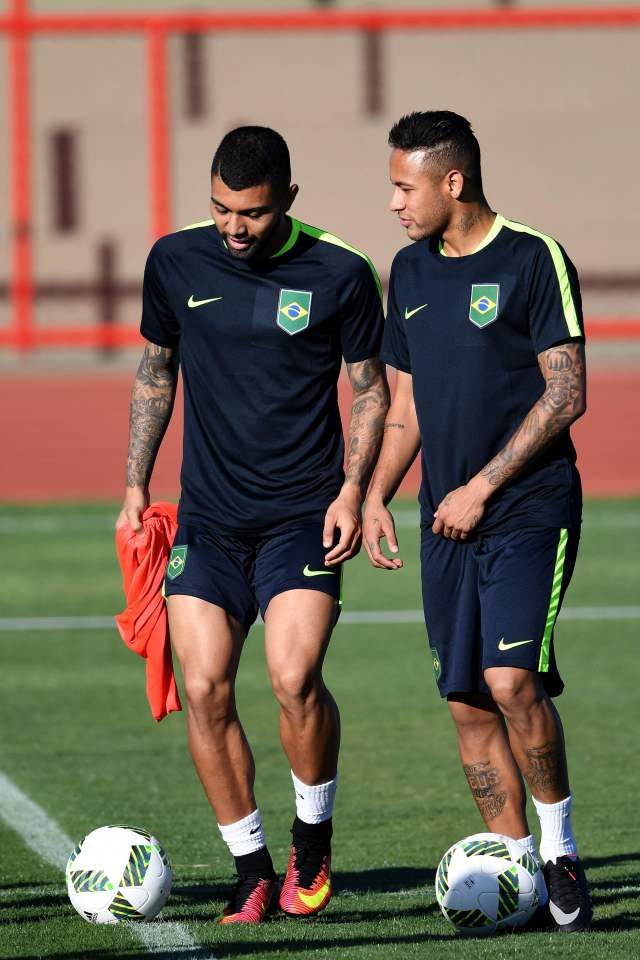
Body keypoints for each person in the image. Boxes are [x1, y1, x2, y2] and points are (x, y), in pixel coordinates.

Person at [117, 126, 388, 923]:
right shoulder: (175, 260)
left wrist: (352, 490)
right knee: (203, 688)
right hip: (209, 516)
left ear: (290, 201)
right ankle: (251, 869)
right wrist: (135, 482)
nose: (235, 227)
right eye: (222, 208)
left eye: (255, 213)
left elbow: (369, 390)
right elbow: (155, 372)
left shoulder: (340, 271)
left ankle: (311, 840)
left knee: (294, 678)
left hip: (305, 516)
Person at [363, 111, 592, 932]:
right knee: (465, 700)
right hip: (443, 521)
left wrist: (484, 487)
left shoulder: (534, 258)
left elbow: (566, 394)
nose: (393, 202)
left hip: (527, 508)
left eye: (403, 185)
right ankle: (517, 870)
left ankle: (561, 851)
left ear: (451, 183)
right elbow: (407, 405)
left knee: (511, 682)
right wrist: (372, 495)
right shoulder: (410, 272)